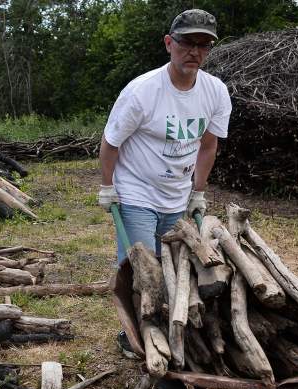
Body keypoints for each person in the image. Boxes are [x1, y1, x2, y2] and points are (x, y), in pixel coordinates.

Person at [97, 9, 231, 357]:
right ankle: (135, 334)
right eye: (187, 42)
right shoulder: (142, 92)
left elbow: (208, 145)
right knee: (142, 268)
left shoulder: (215, 93)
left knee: (175, 269)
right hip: (137, 191)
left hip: (176, 197)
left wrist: (198, 191)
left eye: (203, 45)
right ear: (169, 43)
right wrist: (109, 187)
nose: (194, 52)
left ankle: (172, 326)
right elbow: (111, 142)